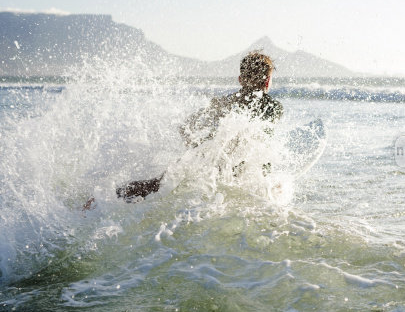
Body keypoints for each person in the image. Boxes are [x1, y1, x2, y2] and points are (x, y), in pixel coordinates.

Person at [115, 50, 283, 202]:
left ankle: (113, 196)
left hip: (210, 163)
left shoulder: (224, 103)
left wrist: (197, 149)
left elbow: (186, 127)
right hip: (242, 174)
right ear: (267, 82)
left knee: (158, 185)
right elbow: (262, 150)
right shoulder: (274, 108)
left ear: (240, 79)